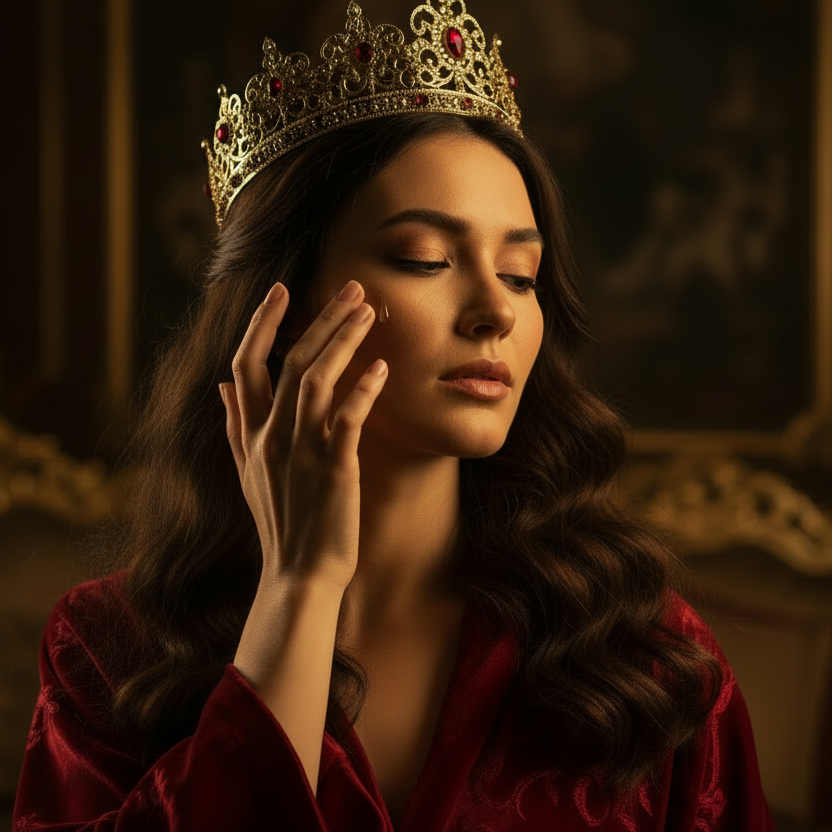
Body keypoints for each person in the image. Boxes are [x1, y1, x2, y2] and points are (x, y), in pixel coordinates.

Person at [14, 2, 775, 830]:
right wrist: (299, 589)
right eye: (426, 259)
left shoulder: (646, 660)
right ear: (287, 306)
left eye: (523, 275)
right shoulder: (110, 649)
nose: (497, 311)